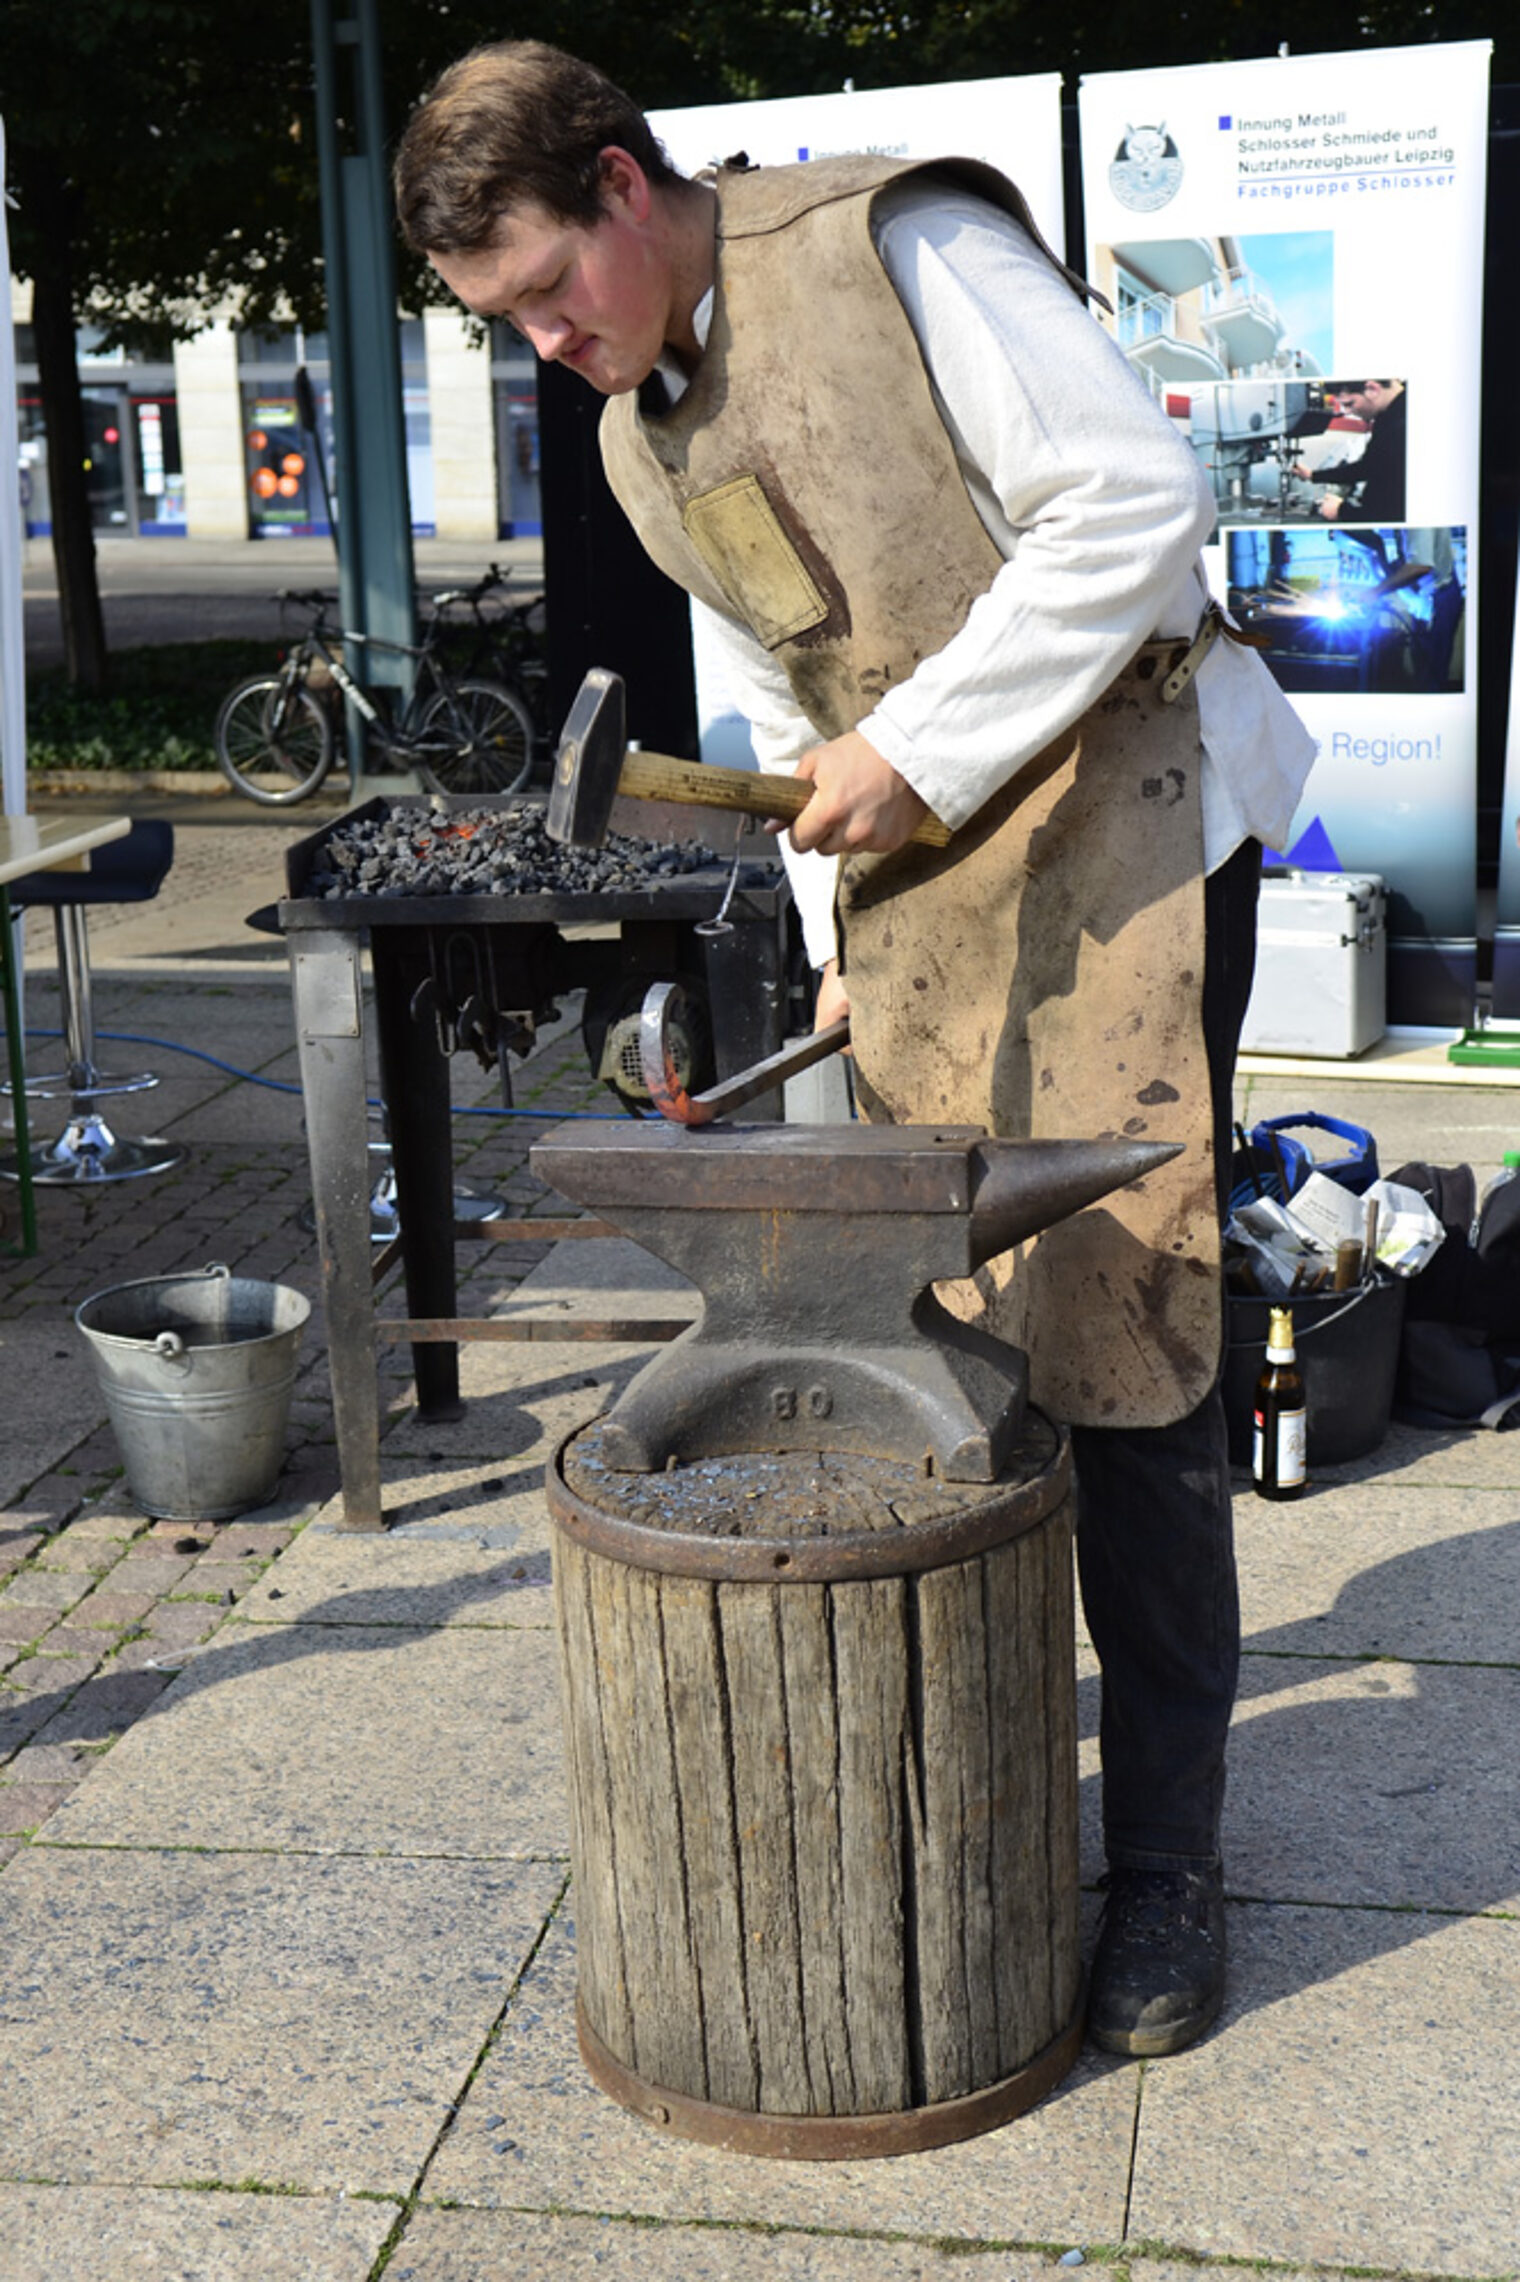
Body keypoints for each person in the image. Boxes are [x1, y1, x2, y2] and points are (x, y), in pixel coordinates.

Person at [396, 39, 1316, 2059]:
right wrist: (832, 938)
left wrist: (914, 749)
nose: (550, 345)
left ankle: (1169, 1857)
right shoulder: (645, 431)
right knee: (956, 1314)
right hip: (925, 876)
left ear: (626, 184)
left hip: (1130, 829)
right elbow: (780, 705)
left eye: (553, 290)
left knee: (1133, 1330)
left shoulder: (900, 242)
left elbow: (1132, 505)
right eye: (507, 327)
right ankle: (989, 1716)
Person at [1292, 379, 1407, 523]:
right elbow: (1368, 467)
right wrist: (1312, 475)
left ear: (1372, 389)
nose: (1347, 412)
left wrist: (1342, 511)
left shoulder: (1402, 425)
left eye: (1349, 404)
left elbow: (1390, 513)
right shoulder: (1387, 417)